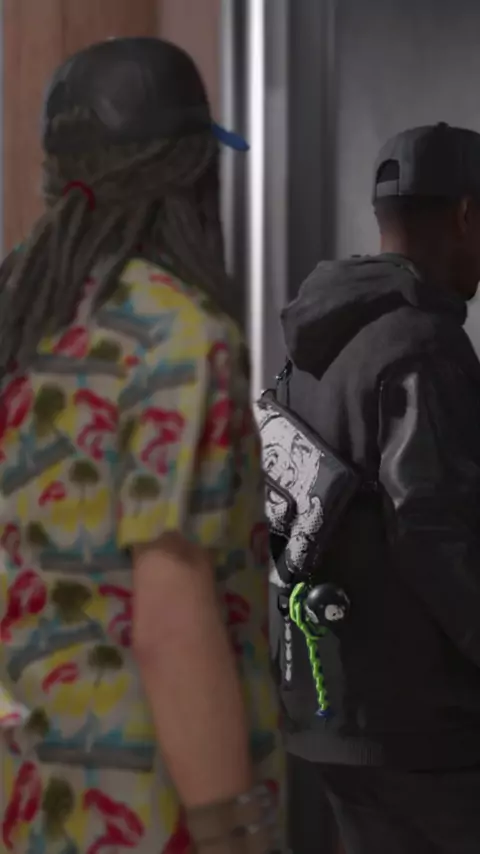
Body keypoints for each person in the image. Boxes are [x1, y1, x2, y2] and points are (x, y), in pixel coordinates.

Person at [0, 37, 284, 854]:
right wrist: (233, 831)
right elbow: (171, 621)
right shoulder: (179, 337)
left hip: (26, 799)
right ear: (193, 172)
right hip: (150, 810)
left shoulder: (20, 320)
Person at [276, 123, 480, 854]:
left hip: (331, 703)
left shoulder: (315, 341)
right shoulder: (423, 344)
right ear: (466, 215)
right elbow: (429, 525)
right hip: (423, 722)